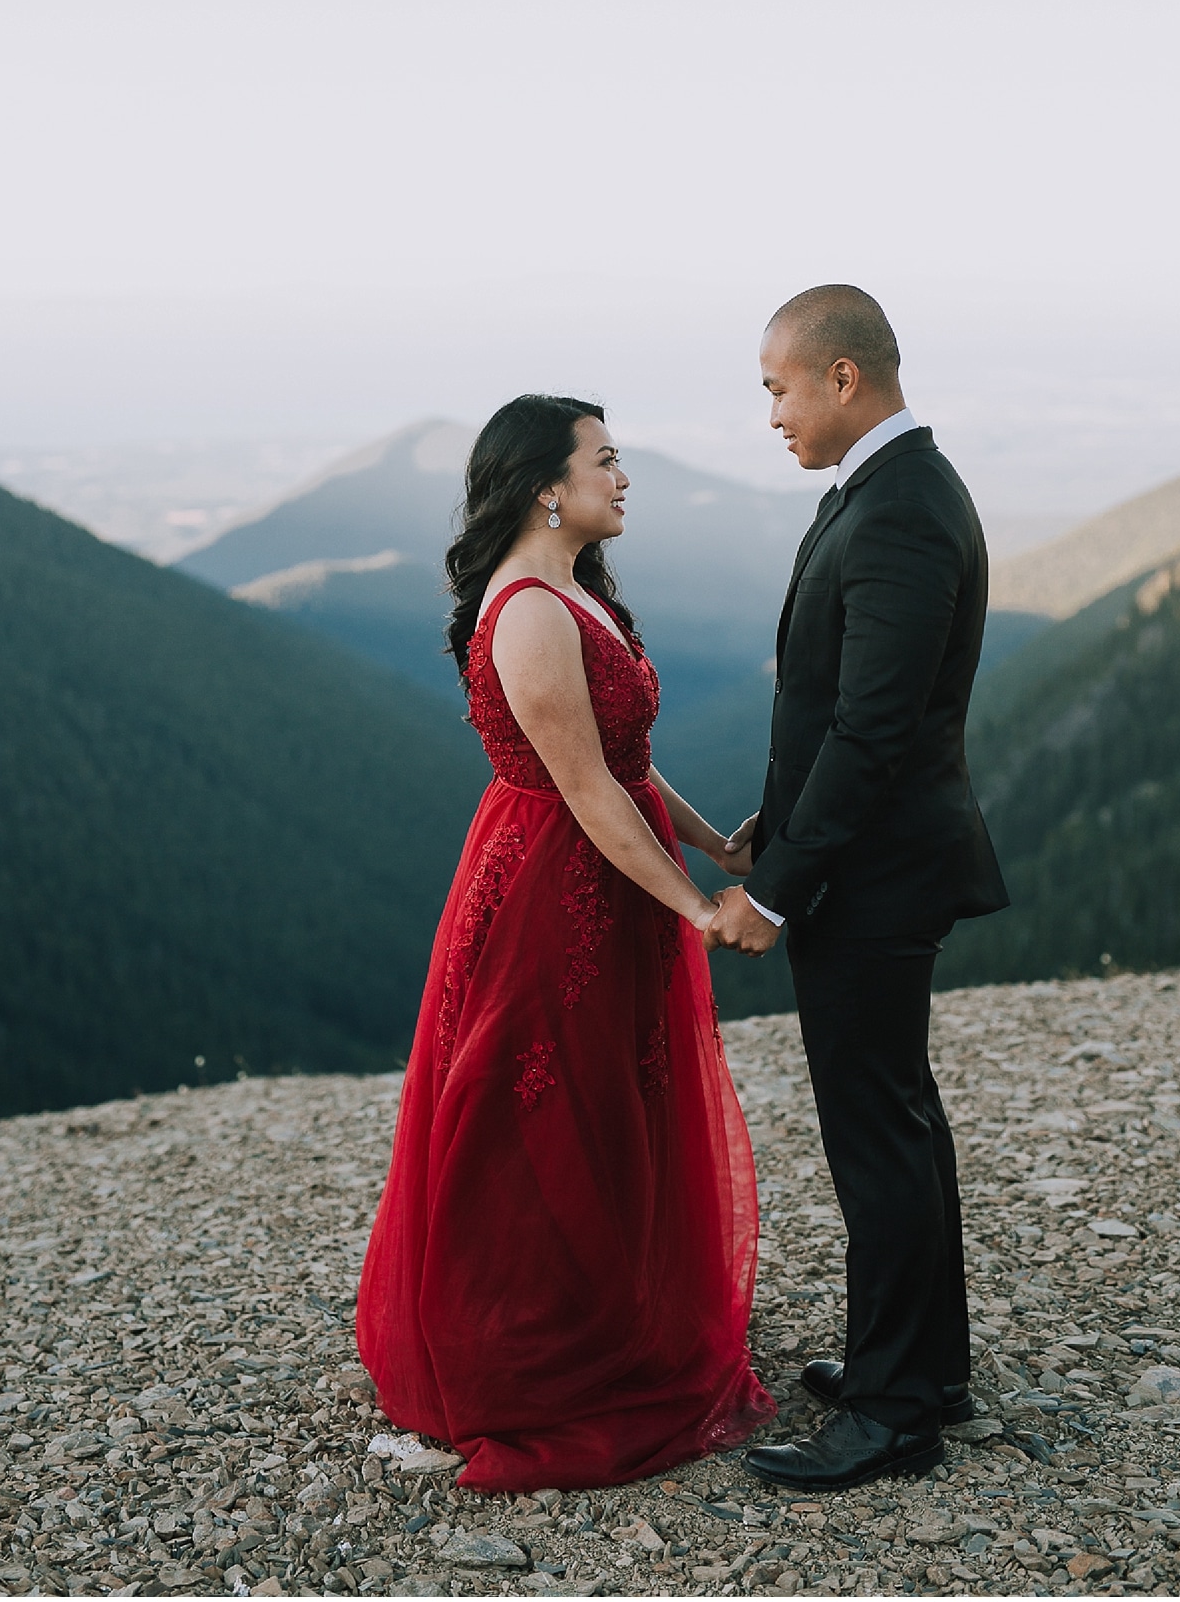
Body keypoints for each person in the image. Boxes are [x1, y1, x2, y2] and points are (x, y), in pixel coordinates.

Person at [357, 394, 774, 1492]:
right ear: (549, 482)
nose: (623, 477)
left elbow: (629, 760)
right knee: (547, 1108)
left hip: (609, 866)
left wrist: (714, 847)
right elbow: (585, 789)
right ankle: (532, 1358)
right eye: (607, 459)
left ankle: (606, 1321)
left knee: (612, 1102)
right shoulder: (533, 611)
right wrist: (695, 909)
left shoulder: (574, 592)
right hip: (557, 885)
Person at [706, 285, 1009, 1492]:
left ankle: (892, 1412)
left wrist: (775, 891)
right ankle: (923, 1367)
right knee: (901, 1121)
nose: (771, 412)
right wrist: (775, 823)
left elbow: (875, 732)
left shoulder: (899, 509)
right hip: (872, 862)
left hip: (876, 880)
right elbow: (840, 709)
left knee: (878, 1136)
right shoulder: (890, 490)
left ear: (843, 376)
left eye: (778, 386)